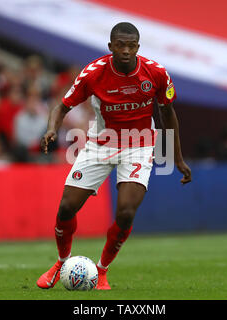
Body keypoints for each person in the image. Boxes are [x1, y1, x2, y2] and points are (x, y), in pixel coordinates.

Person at [36, 22, 192, 290]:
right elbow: (62, 106)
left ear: (138, 48)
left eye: (131, 46)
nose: (126, 51)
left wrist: (177, 158)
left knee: (126, 211)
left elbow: (169, 115)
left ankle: (102, 270)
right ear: (111, 47)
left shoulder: (156, 73)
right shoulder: (93, 73)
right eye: (120, 45)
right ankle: (62, 261)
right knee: (66, 207)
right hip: (100, 143)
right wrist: (51, 128)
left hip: (140, 146)